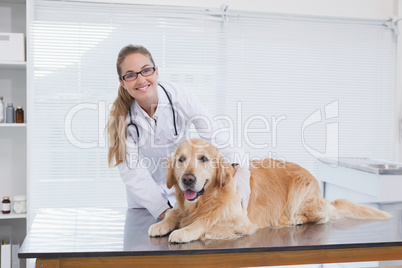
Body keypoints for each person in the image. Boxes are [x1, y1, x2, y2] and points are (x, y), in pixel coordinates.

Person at [107, 44, 250, 219]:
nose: (141, 80)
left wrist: (242, 168)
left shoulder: (180, 97)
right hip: (146, 203)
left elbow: (215, 134)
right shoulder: (121, 120)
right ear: (122, 82)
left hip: (183, 193)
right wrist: (164, 212)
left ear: (156, 72)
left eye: (146, 70)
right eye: (130, 75)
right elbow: (133, 173)